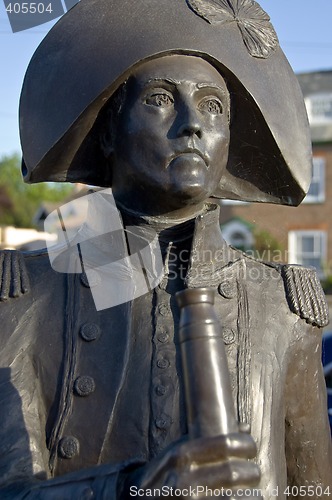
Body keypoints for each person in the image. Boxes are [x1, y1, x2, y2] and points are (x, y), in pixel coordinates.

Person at [0, 0, 331, 498]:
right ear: (110, 133)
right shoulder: (28, 293)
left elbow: (313, 488)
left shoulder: (283, 308)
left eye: (213, 107)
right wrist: (133, 488)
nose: (193, 124)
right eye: (159, 98)